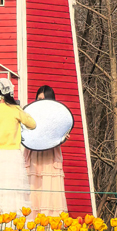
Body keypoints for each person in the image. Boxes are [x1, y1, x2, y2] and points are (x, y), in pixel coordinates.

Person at [0, 78, 36, 216]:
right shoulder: (16, 110)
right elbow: (32, 124)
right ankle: (12, 226)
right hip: (12, 155)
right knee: (12, 190)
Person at [23, 85, 69, 217]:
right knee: (34, 186)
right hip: (34, 153)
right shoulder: (30, 115)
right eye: (38, 99)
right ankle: (32, 223)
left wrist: (63, 137)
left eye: (44, 98)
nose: (41, 101)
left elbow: (60, 130)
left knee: (49, 186)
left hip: (50, 155)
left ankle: (49, 225)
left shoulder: (57, 116)